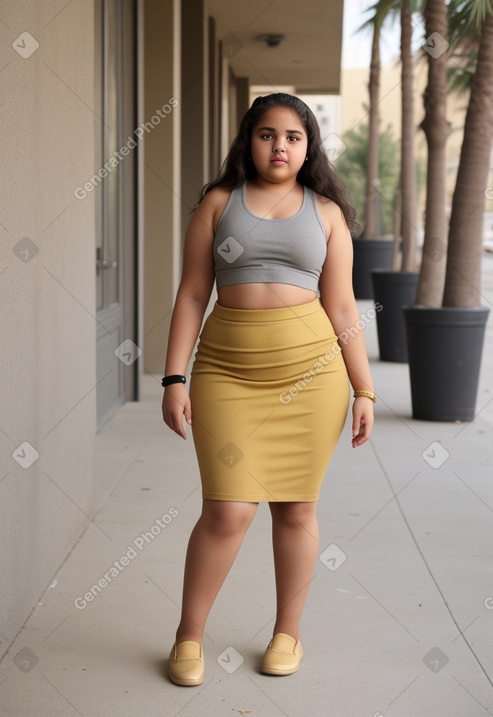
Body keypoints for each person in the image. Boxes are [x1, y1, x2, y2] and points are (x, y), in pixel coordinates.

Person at [162, 93, 375, 686]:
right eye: (266, 135)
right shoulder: (218, 203)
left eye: (293, 136)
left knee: (296, 508)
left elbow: (341, 305)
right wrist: (174, 376)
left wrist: (364, 389)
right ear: (248, 141)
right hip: (227, 372)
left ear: (309, 146)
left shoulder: (327, 213)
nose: (279, 146)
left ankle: (288, 634)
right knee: (227, 511)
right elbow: (190, 294)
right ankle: (188, 637)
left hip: (312, 378)